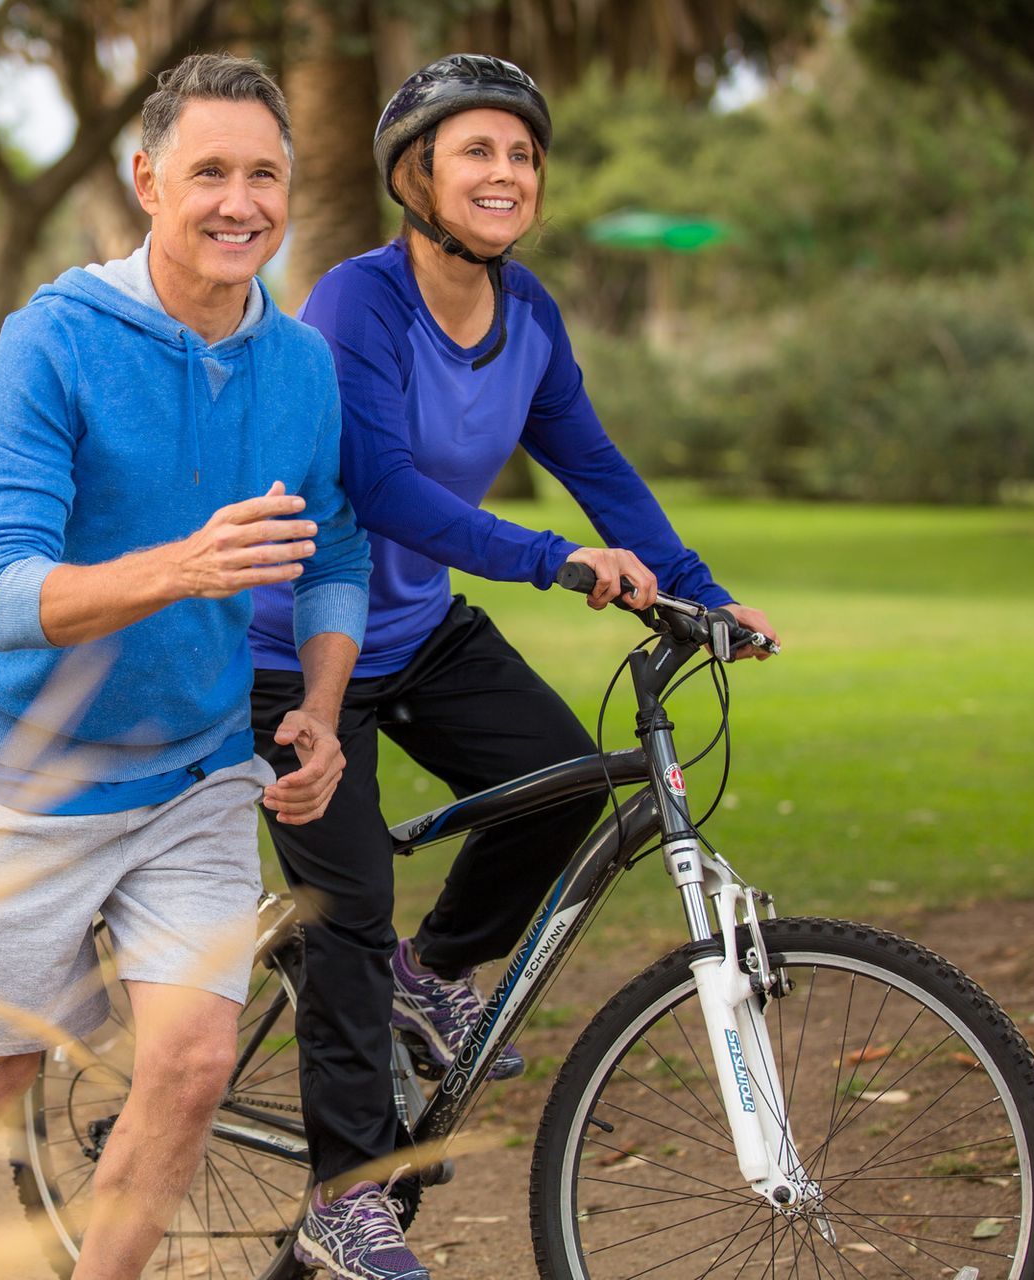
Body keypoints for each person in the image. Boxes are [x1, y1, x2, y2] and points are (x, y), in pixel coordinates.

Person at [0, 54, 370, 1278]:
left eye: (264, 175)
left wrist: (323, 709)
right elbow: (3, 592)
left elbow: (337, 549)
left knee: (191, 1062)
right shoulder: (51, 343)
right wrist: (182, 567)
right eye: (209, 172)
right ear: (146, 181)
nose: (241, 204)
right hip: (34, 774)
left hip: (198, 772)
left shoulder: (302, 366)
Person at [247, 54, 780, 1280]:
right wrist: (553, 562)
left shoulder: (528, 314)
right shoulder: (354, 304)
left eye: (522, 153)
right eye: (475, 150)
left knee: (562, 776)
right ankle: (345, 1193)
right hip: (289, 649)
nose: (504, 172)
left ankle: (430, 976)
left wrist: (699, 590)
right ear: (414, 176)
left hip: (418, 627)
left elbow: (593, 461)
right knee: (347, 905)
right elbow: (378, 487)